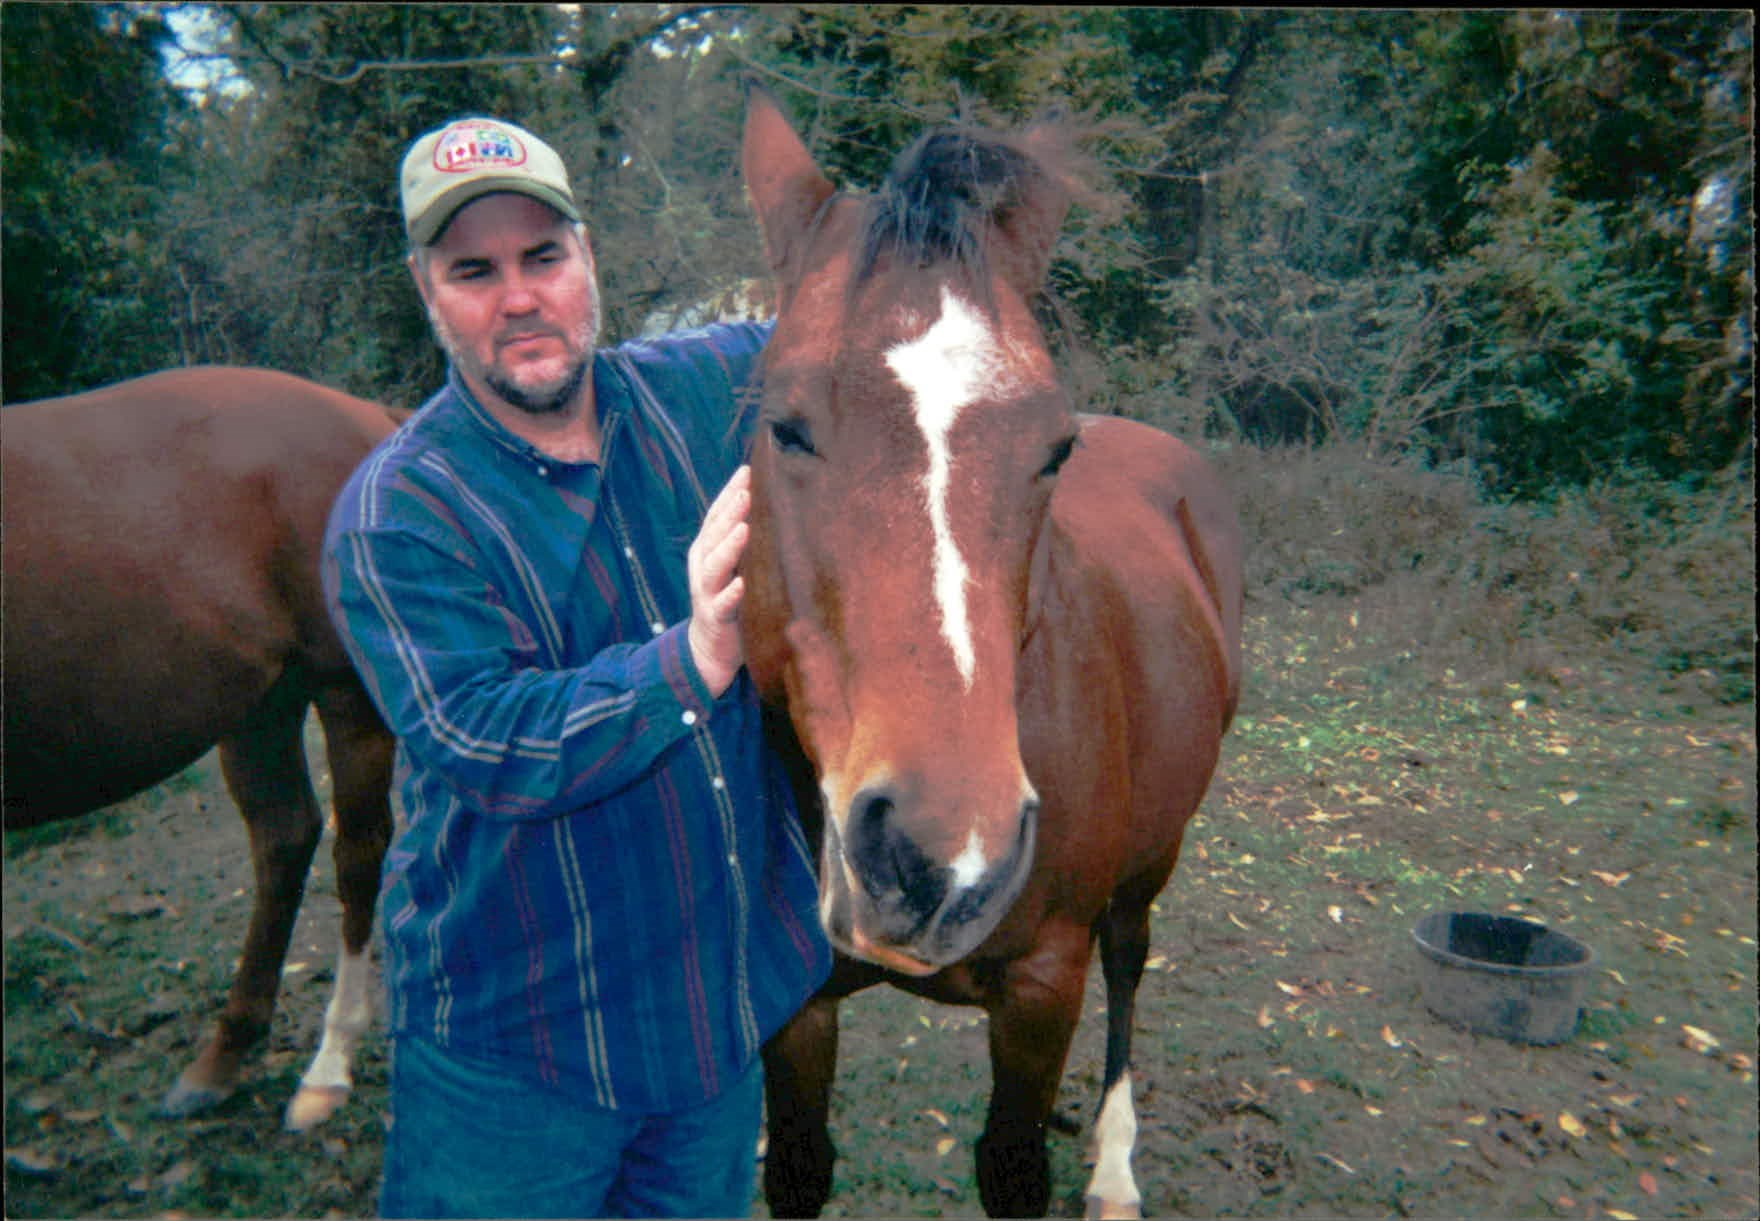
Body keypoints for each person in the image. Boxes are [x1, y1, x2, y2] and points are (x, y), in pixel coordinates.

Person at [322, 116, 831, 1219]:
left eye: (541, 257)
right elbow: (483, 740)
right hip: (522, 1052)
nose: (518, 297)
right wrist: (691, 659)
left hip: (710, 1025)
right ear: (427, 289)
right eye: (474, 270)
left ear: (586, 258)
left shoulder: (700, 394)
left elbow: (844, 334)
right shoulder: (397, 513)